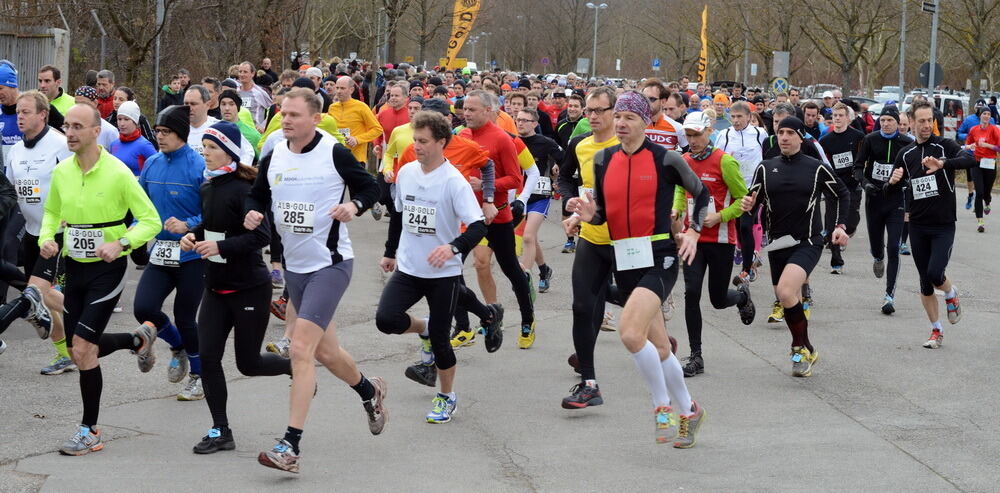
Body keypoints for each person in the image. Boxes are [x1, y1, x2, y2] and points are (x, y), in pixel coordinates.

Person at [246, 88, 386, 474]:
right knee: (326, 352)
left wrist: (353, 205)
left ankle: (289, 446)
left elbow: (371, 186)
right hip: (295, 269)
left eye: (293, 114)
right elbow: (256, 196)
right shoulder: (274, 154)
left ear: (314, 118)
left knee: (300, 350)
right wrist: (253, 213)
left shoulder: (333, 152)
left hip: (331, 265)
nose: (285, 119)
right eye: (282, 113)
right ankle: (368, 390)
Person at [566, 91, 707, 448]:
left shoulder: (667, 158)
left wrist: (692, 231)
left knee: (630, 334)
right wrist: (585, 217)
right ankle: (690, 409)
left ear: (645, 121)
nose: (623, 123)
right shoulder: (602, 159)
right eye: (620, 117)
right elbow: (601, 213)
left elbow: (702, 195)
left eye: (630, 117)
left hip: (660, 255)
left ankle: (662, 406)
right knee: (660, 347)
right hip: (624, 257)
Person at [40, 104, 162, 455]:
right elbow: (51, 212)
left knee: (81, 348)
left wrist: (122, 243)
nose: (71, 132)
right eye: (67, 126)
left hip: (107, 270)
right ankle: (136, 340)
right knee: (79, 351)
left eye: (78, 126)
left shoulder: (119, 173)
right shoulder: (62, 171)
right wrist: (47, 237)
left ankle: (89, 430)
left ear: (97, 131)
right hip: (74, 266)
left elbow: (149, 220)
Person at [179, 121, 292, 454]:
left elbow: (262, 237)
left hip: (248, 288)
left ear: (229, 150)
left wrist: (219, 247)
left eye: (212, 148)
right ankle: (220, 430)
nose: (206, 154)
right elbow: (211, 225)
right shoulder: (207, 188)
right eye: (204, 148)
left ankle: (296, 368)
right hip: (215, 288)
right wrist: (193, 236)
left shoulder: (246, 189)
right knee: (209, 358)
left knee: (248, 364)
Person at [376, 110, 496, 423]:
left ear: (441, 142)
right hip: (409, 267)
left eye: (424, 141)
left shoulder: (454, 182)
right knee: (386, 319)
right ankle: (424, 327)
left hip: (443, 273)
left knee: (443, 342)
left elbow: (478, 226)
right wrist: (390, 252)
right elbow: (400, 216)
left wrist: (453, 246)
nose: (417, 146)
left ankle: (446, 396)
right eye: (415, 140)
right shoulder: (406, 173)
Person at [741, 116, 850, 377]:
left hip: (808, 240)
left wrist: (840, 226)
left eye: (791, 132)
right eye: (781, 132)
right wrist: (747, 205)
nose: (785, 137)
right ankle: (809, 347)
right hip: (778, 243)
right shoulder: (765, 168)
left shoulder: (816, 167)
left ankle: (798, 348)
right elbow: (753, 202)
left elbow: (842, 193)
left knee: (788, 292)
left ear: (801, 137)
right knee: (786, 297)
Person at [671, 111, 755, 378]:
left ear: (709, 131)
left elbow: (743, 201)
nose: (692, 140)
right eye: (689, 136)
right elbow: (679, 190)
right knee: (691, 292)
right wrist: (676, 210)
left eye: (697, 135)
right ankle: (696, 355)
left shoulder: (725, 162)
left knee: (718, 300)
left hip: (720, 240)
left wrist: (720, 216)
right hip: (692, 239)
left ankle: (741, 295)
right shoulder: (683, 160)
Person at [449, 90, 534, 349]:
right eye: (465, 109)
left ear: (488, 111)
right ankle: (464, 326)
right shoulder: (461, 135)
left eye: (472, 110)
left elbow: (516, 179)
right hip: (467, 217)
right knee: (452, 269)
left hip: (496, 214)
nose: (466, 114)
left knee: (511, 269)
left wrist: (485, 184)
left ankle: (528, 320)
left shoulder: (502, 139)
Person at [888, 101, 976, 349]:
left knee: (935, 273)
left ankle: (951, 293)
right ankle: (936, 331)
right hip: (917, 225)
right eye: (922, 121)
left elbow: (969, 159)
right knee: (925, 282)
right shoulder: (905, 154)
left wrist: (943, 164)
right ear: (912, 123)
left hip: (943, 224)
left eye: (930, 121)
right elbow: (889, 189)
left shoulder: (944, 146)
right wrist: (892, 183)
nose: (927, 125)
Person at [137, 104, 208, 400]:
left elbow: (213, 211)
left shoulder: (198, 166)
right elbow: (137, 205)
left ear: (180, 133)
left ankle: (198, 375)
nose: (160, 136)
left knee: (185, 316)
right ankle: (177, 346)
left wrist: (188, 225)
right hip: (162, 253)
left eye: (166, 131)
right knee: (144, 308)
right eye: (157, 131)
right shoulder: (152, 163)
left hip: (192, 256)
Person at [557, 87, 622, 409]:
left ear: (615, 112)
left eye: (600, 111)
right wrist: (570, 203)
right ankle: (589, 383)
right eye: (589, 111)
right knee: (583, 305)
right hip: (592, 239)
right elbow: (565, 177)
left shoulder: (628, 147)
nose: (593, 117)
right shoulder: (579, 145)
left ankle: (661, 340)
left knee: (635, 304)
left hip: (627, 241)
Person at [0, 91, 70, 374]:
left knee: (35, 292)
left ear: (43, 114)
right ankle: (66, 352)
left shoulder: (60, 145)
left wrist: (63, 222)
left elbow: (75, 185)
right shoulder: (16, 150)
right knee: (46, 297)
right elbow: (14, 193)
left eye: (26, 112)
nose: (20, 116)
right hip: (32, 232)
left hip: (57, 235)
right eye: (18, 112)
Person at [715, 101, 767, 282]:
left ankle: (747, 269)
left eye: (739, 117)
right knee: (737, 227)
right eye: (733, 117)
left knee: (746, 226)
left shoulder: (760, 134)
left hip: (753, 188)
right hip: (733, 188)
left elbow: (767, 157)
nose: (735, 121)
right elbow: (717, 159)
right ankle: (745, 256)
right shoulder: (724, 135)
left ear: (749, 117)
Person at [516, 108, 562, 293]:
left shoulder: (545, 143)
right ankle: (544, 270)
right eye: (518, 119)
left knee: (527, 236)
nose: (520, 123)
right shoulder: (512, 141)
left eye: (525, 120)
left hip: (539, 197)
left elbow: (567, 159)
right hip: (519, 197)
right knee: (531, 237)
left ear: (535, 123)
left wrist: (558, 169)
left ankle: (524, 278)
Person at [819, 102, 865, 274]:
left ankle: (848, 231)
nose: (837, 119)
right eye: (834, 116)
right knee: (832, 224)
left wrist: (860, 174)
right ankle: (836, 262)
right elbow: (823, 163)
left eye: (840, 116)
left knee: (851, 222)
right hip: (834, 186)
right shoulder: (826, 140)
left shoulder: (858, 136)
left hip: (852, 185)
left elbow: (862, 158)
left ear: (847, 118)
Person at [328, 75, 383, 163]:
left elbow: (377, 129)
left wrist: (357, 139)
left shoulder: (361, 107)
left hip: (356, 158)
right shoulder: (332, 107)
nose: (338, 91)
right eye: (337, 88)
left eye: (342, 88)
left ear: (351, 90)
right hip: (336, 157)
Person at [962, 107, 1000, 232]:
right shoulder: (974, 130)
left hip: (990, 163)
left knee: (986, 191)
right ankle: (980, 222)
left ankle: (987, 201)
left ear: (990, 117)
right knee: (979, 192)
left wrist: (987, 145)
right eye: (984, 113)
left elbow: (999, 148)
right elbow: (967, 145)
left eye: (989, 114)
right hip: (977, 162)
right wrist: (971, 146)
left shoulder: (994, 129)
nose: (987, 116)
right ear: (980, 115)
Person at [109, 101, 157, 176]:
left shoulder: (145, 145)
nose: (122, 124)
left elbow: (157, 171)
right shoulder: (113, 144)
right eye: (119, 119)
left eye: (126, 119)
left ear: (135, 122)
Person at [237, 62, 273, 131]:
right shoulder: (236, 92)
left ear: (252, 74)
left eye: (245, 72)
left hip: (255, 133)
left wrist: (263, 125)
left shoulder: (259, 93)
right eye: (240, 72)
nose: (242, 74)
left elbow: (273, 109)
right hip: (238, 131)